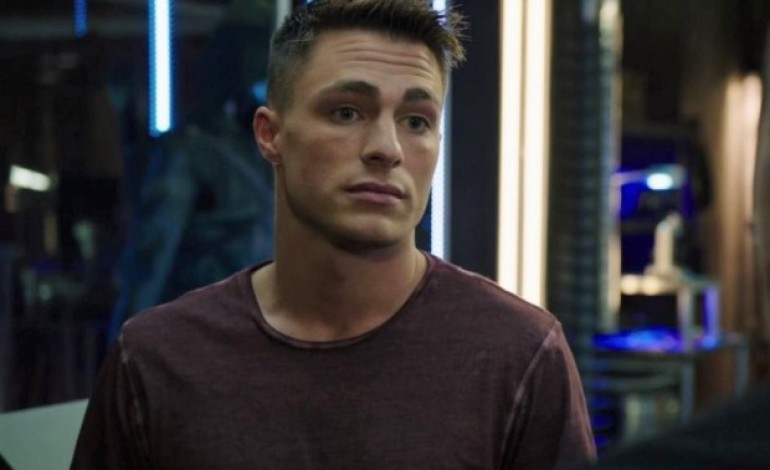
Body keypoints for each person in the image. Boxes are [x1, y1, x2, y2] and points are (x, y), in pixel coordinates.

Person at [71, 1, 595, 468]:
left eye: (416, 121)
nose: (387, 148)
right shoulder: (158, 359)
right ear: (270, 134)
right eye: (347, 112)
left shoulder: (518, 355)